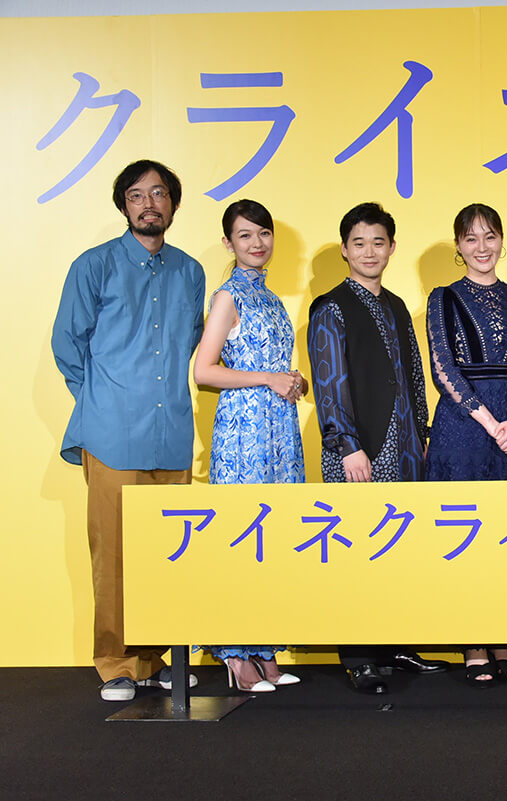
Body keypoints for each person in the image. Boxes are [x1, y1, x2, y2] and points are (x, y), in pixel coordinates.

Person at [52, 159, 204, 702]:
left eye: (159, 193)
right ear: (124, 205)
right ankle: (116, 662)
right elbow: (67, 344)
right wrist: (101, 401)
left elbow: (190, 341)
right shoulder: (93, 265)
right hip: (113, 434)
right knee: (114, 554)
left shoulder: (190, 271)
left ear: (173, 204)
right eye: (137, 195)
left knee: (166, 552)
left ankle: (154, 659)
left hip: (172, 433)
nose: (148, 204)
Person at [307, 202, 450, 693]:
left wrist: (424, 436)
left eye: (378, 242)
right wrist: (347, 445)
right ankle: (359, 655)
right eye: (359, 243)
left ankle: (396, 645)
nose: (369, 252)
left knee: (400, 549)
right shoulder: (330, 307)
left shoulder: (395, 306)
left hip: (405, 446)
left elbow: (414, 376)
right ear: (344, 250)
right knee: (355, 552)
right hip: (359, 449)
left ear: (391, 248)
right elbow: (329, 382)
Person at [425, 203, 507, 685]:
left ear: (501, 240)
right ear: (458, 245)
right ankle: (473, 640)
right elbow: (443, 367)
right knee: (465, 539)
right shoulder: (442, 298)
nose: (482, 247)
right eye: (471, 238)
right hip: (462, 427)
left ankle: (504, 638)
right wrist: (490, 422)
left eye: (489, 236)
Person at [192, 198, 304, 693]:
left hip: (280, 430)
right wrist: (267, 379)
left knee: (273, 539)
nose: (257, 243)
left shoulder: (272, 298)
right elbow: (204, 370)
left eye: (263, 233)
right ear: (228, 242)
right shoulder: (227, 297)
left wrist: (292, 380)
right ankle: (235, 656)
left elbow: (273, 368)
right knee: (243, 538)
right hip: (243, 433)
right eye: (245, 235)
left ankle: (264, 650)